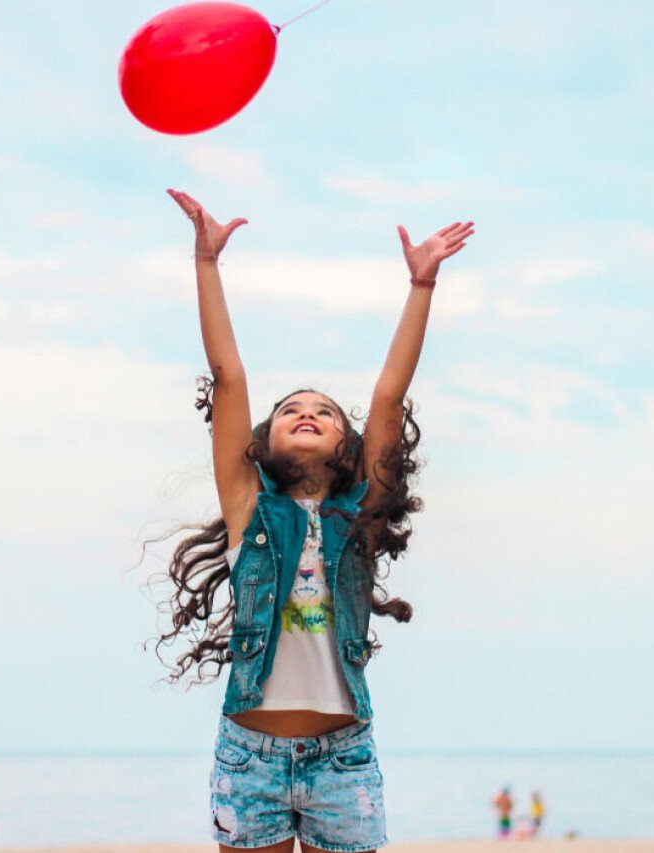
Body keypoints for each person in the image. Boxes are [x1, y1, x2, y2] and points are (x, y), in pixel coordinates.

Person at [157, 189, 473, 853]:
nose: (307, 412)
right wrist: (206, 263)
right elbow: (228, 375)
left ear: (348, 447)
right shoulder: (251, 509)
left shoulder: (359, 516)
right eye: (291, 409)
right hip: (249, 755)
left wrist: (421, 282)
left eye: (325, 411)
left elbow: (389, 393)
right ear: (263, 442)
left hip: (343, 759)